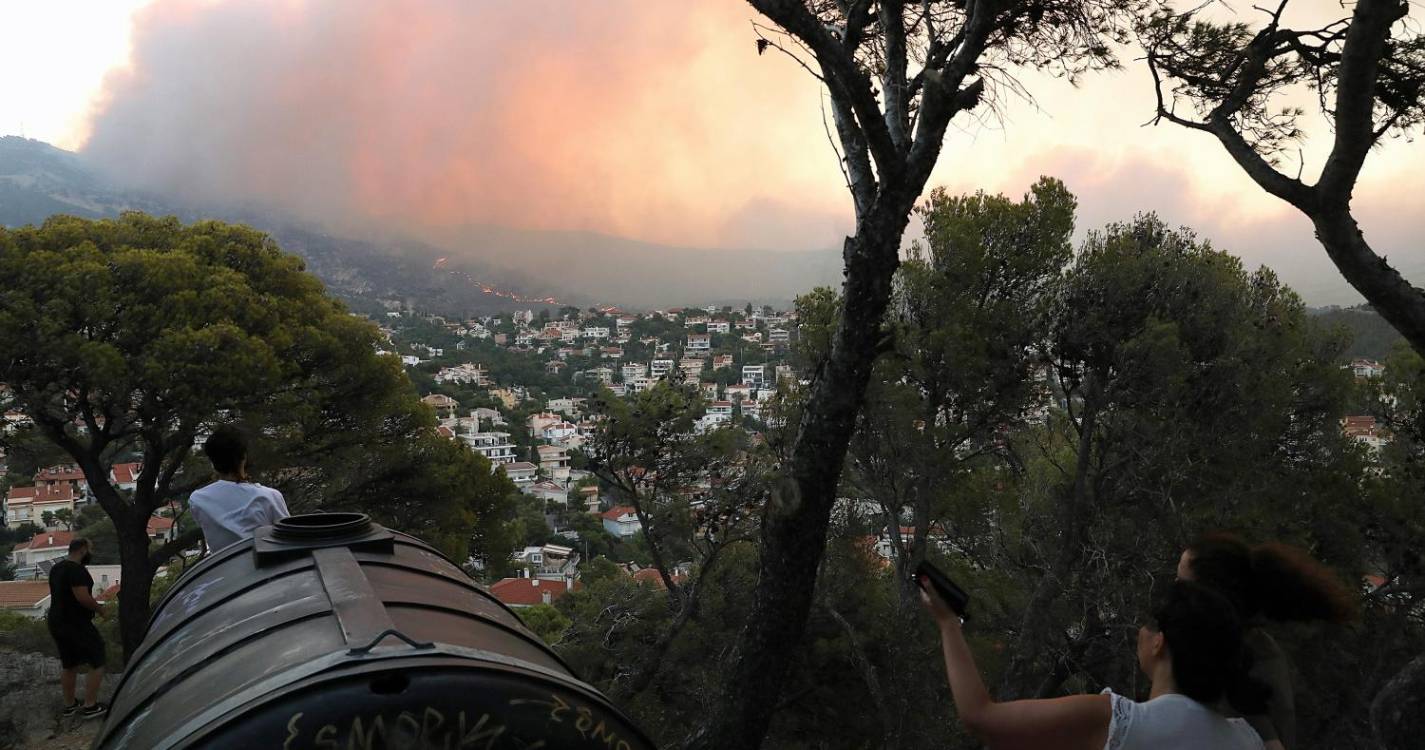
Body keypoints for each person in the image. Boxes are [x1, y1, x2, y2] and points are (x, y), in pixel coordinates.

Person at [920, 577, 1267, 750]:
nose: (1139, 632)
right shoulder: (1248, 739)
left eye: (1147, 624)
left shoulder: (1118, 722)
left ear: (1160, 643)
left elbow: (980, 717)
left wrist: (948, 624)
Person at [1177, 533, 1357, 750]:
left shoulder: (1245, 664)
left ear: (1212, 597)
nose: (1174, 590)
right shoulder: (1230, 649)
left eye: (1182, 584)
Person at [188, 425, 290, 550]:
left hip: (224, 568)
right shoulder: (269, 497)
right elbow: (289, 539)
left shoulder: (198, 500)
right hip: (269, 567)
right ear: (244, 457)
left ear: (212, 462)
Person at [47, 537, 108, 719]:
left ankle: (70, 705)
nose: (92, 553)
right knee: (98, 659)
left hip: (57, 621)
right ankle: (90, 706)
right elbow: (82, 597)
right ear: (82, 550)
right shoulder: (77, 571)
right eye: (90, 549)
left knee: (70, 663)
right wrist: (101, 609)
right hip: (75, 623)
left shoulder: (56, 568)